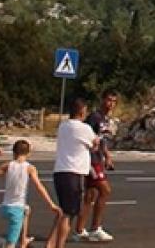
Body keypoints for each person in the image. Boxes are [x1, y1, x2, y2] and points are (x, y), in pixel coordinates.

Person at [0, 139, 61, 248]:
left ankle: (23, 239)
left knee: (27, 210)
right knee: (10, 244)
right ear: (29, 153)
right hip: (16, 210)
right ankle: (18, 243)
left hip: (5, 207)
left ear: (13, 152)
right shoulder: (30, 168)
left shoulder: (8, 165)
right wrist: (51, 204)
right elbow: (40, 187)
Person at [73, 89, 119, 242]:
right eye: (108, 100)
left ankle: (79, 230)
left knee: (90, 195)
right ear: (102, 100)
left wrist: (107, 156)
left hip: (97, 158)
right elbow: (86, 135)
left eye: (113, 101)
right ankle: (95, 228)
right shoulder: (94, 117)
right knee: (105, 190)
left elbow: (101, 140)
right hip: (91, 160)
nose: (111, 104)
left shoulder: (105, 119)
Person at [52, 98, 98, 248]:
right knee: (69, 213)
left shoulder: (63, 126)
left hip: (60, 171)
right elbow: (94, 144)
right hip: (74, 173)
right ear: (82, 111)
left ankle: (51, 244)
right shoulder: (84, 128)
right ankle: (59, 245)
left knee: (64, 210)